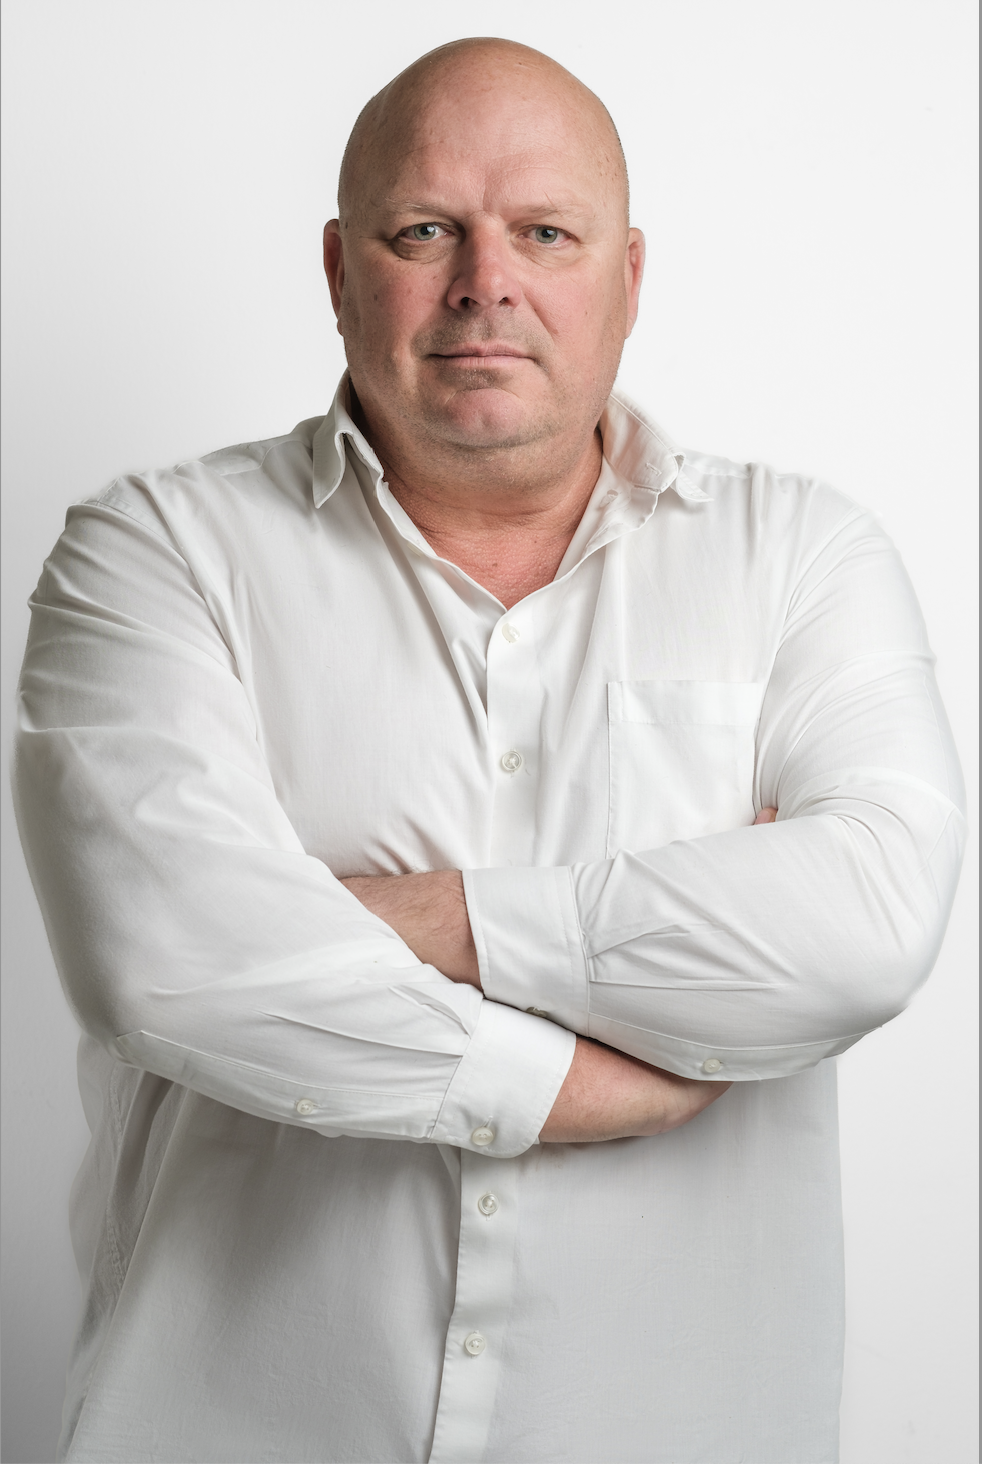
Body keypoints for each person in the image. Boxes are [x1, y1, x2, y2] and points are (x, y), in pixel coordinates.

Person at [13, 35, 964, 1464]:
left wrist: (417, 919)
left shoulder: (801, 564)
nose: (484, 284)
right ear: (338, 269)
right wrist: (577, 1081)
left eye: (543, 232)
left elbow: (870, 923)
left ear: (626, 277)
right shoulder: (155, 555)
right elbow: (163, 963)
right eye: (423, 231)